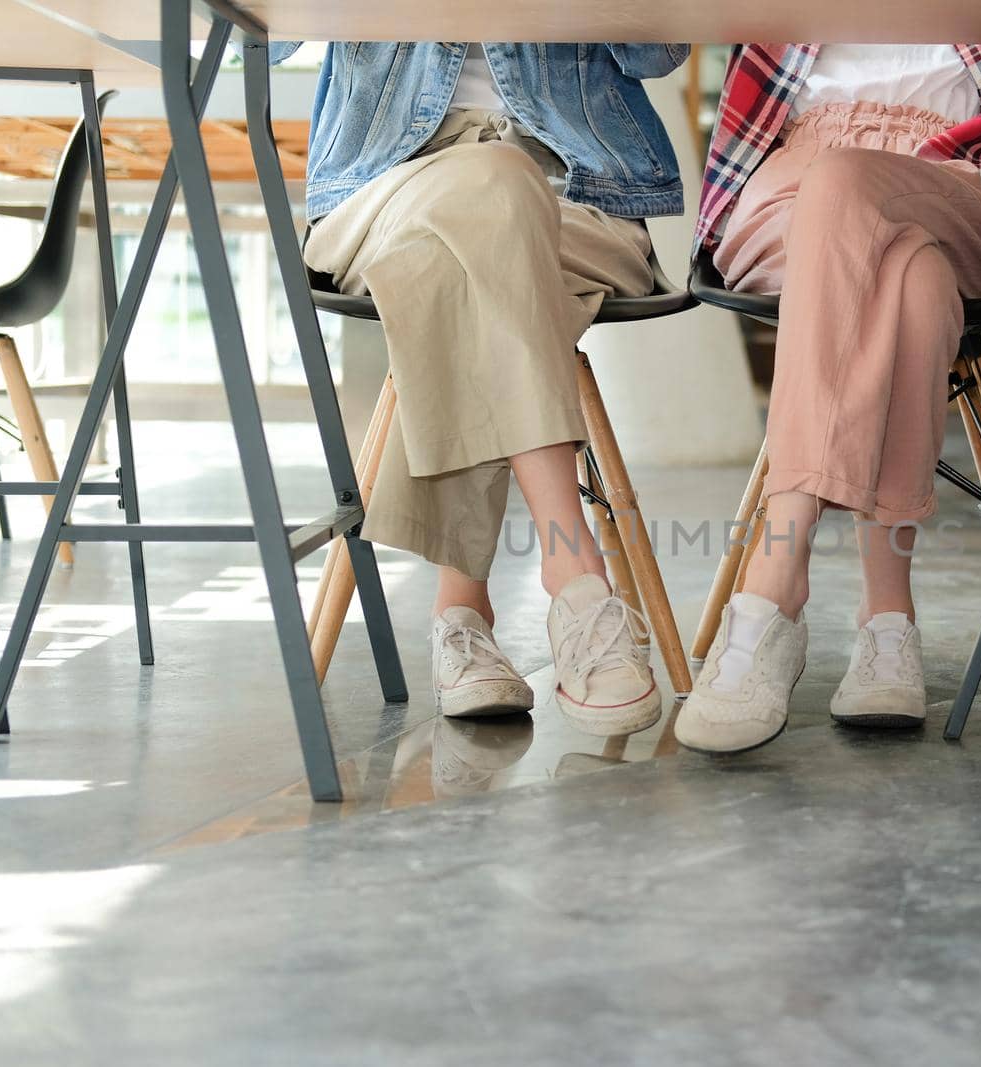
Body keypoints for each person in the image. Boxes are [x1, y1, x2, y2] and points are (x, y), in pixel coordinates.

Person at [273, 41, 691, 736]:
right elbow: (267, 31)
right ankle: (576, 578)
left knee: (462, 252)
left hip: (581, 198)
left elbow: (658, 51)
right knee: (491, 188)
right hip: (383, 190)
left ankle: (461, 615)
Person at [675, 44, 981, 753]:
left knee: (851, 188)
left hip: (955, 180)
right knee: (913, 282)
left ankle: (774, 581)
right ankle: (888, 616)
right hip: (790, 186)